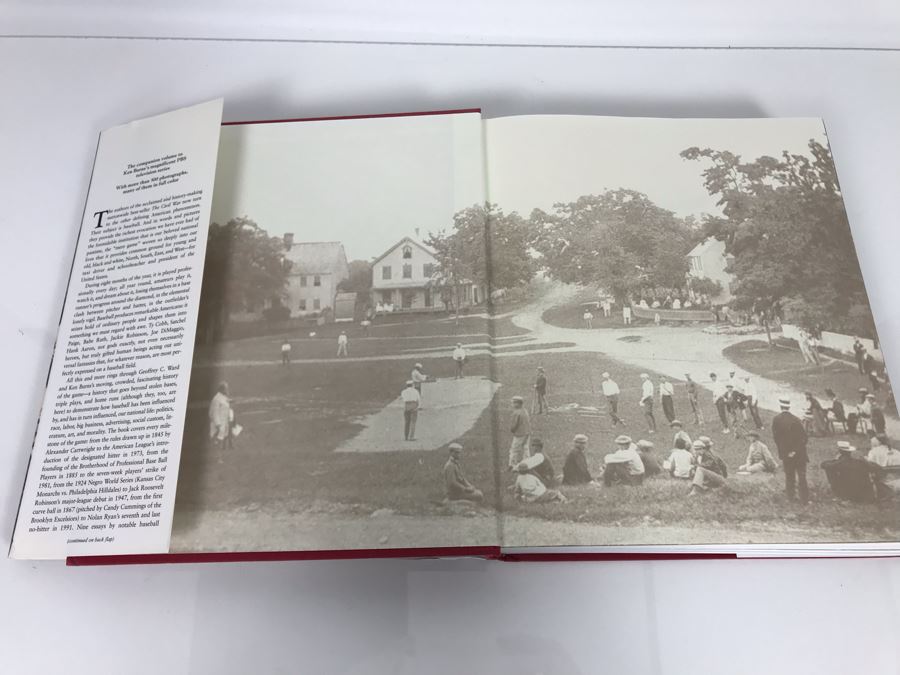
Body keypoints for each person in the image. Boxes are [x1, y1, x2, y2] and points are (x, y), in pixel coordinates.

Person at [771, 396, 809, 503]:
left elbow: (776, 438)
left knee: (789, 476)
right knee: (802, 476)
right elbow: (804, 438)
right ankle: (804, 499)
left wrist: (786, 452)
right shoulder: (796, 420)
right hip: (799, 454)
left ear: (781, 406)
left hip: (786, 454)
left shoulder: (776, 420)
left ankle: (790, 498)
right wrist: (795, 451)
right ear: (789, 407)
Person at [865, 435, 900, 499]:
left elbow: (871, 466)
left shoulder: (873, 452)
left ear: (878, 442)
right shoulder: (897, 452)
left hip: (883, 483)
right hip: (897, 480)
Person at [208, 382, 233, 451]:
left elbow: (225, 402)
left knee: (220, 440)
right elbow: (214, 412)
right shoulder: (216, 399)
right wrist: (218, 424)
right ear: (222, 389)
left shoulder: (223, 397)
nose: (228, 390)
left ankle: (219, 457)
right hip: (218, 423)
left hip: (223, 422)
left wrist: (230, 401)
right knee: (217, 440)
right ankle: (217, 458)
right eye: (226, 388)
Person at [508, 395, 532, 469]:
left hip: (519, 434)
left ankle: (512, 464)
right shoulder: (525, 411)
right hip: (527, 433)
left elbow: (513, 426)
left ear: (518, 404)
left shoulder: (516, 413)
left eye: (514, 403)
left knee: (514, 449)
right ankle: (527, 463)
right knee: (525, 448)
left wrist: (512, 430)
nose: (512, 405)